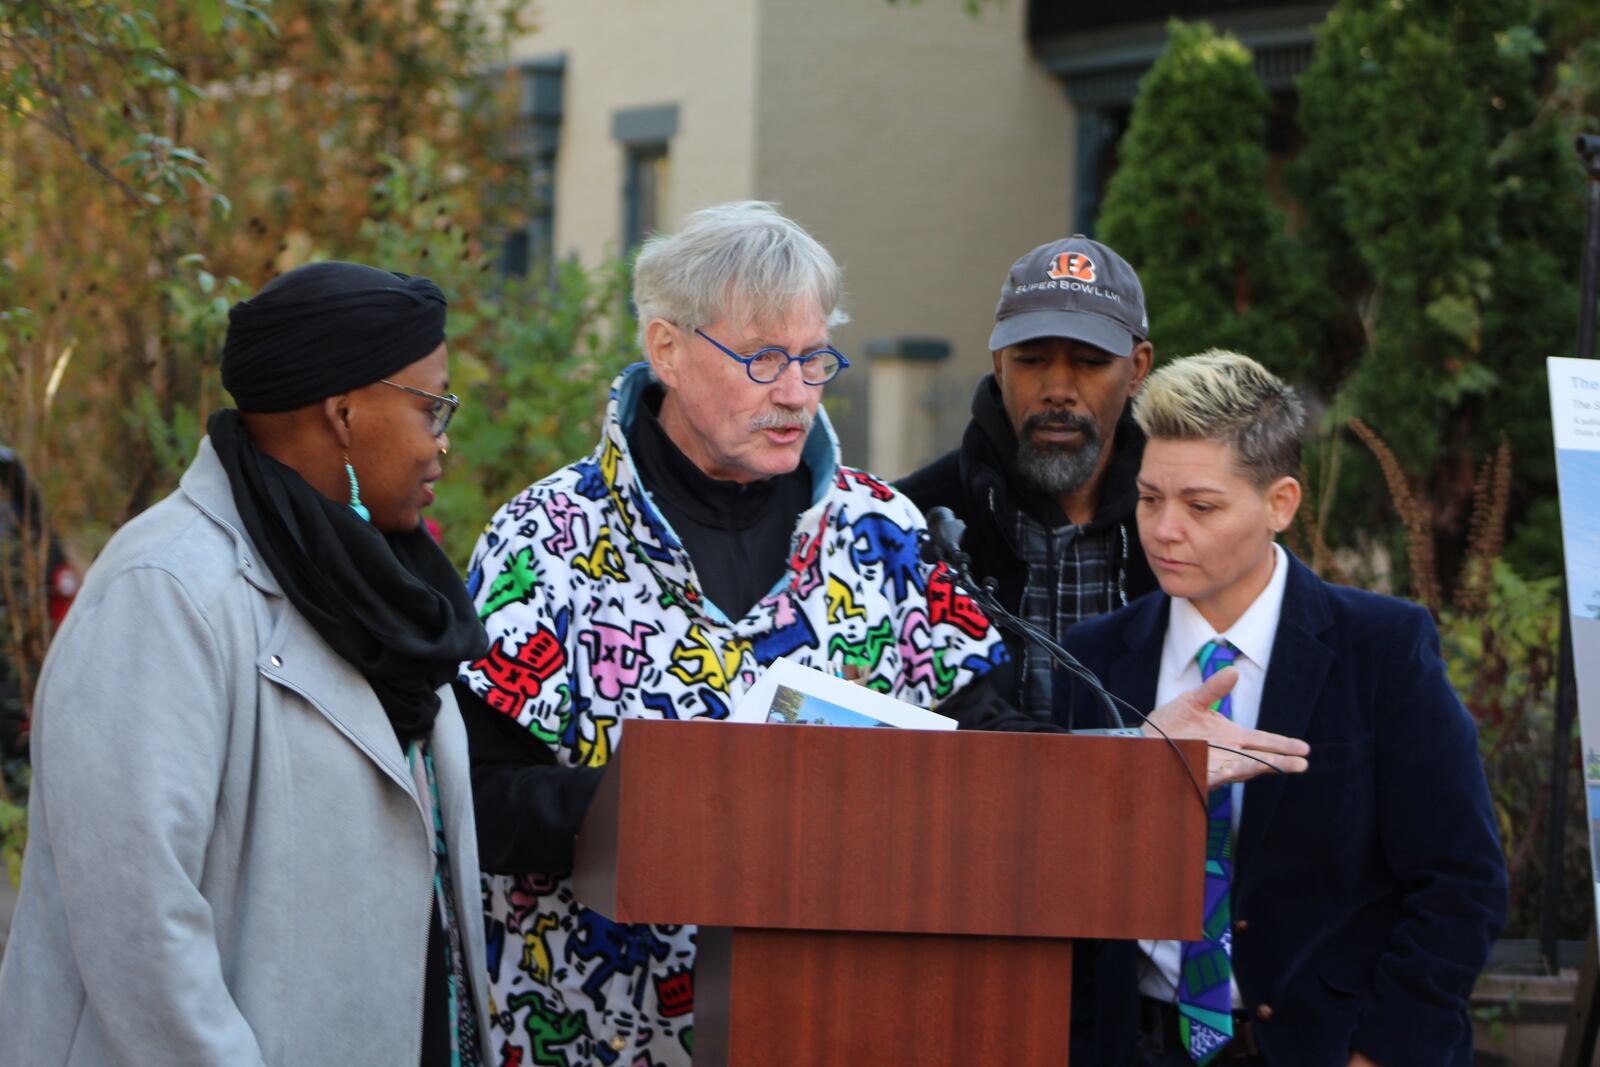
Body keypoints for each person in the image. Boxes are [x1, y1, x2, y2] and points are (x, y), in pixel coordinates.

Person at [455, 203, 1308, 1067]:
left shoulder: (884, 531)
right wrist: (671, 804)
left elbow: (993, 749)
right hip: (596, 1032)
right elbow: (476, 798)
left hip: (841, 1025)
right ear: (666, 348)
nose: (796, 392)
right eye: (763, 360)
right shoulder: (545, 539)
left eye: (814, 358)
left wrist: (1129, 753)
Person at [0, 262, 494, 1065]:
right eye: (433, 406)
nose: (444, 441)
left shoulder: (388, 596)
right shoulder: (166, 593)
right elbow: (140, 926)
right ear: (342, 413)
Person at [1060, 350, 1507, 1067]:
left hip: (1321, 1043)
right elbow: (1063, 876)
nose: (1164, 529)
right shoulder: (1097, 654)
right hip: (1135, 1038)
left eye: (1200, 505)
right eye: (1149, 498)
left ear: (1282, 503)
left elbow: (1462, 881)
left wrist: (1381, 1051)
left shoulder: (1383, 649)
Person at [899, 234, 1159, 723]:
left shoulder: (1179, 527)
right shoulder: (908, 522)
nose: (1058, 390)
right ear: (999, 365)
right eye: (1032, 360)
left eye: (1090, 362)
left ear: (1137, 369)